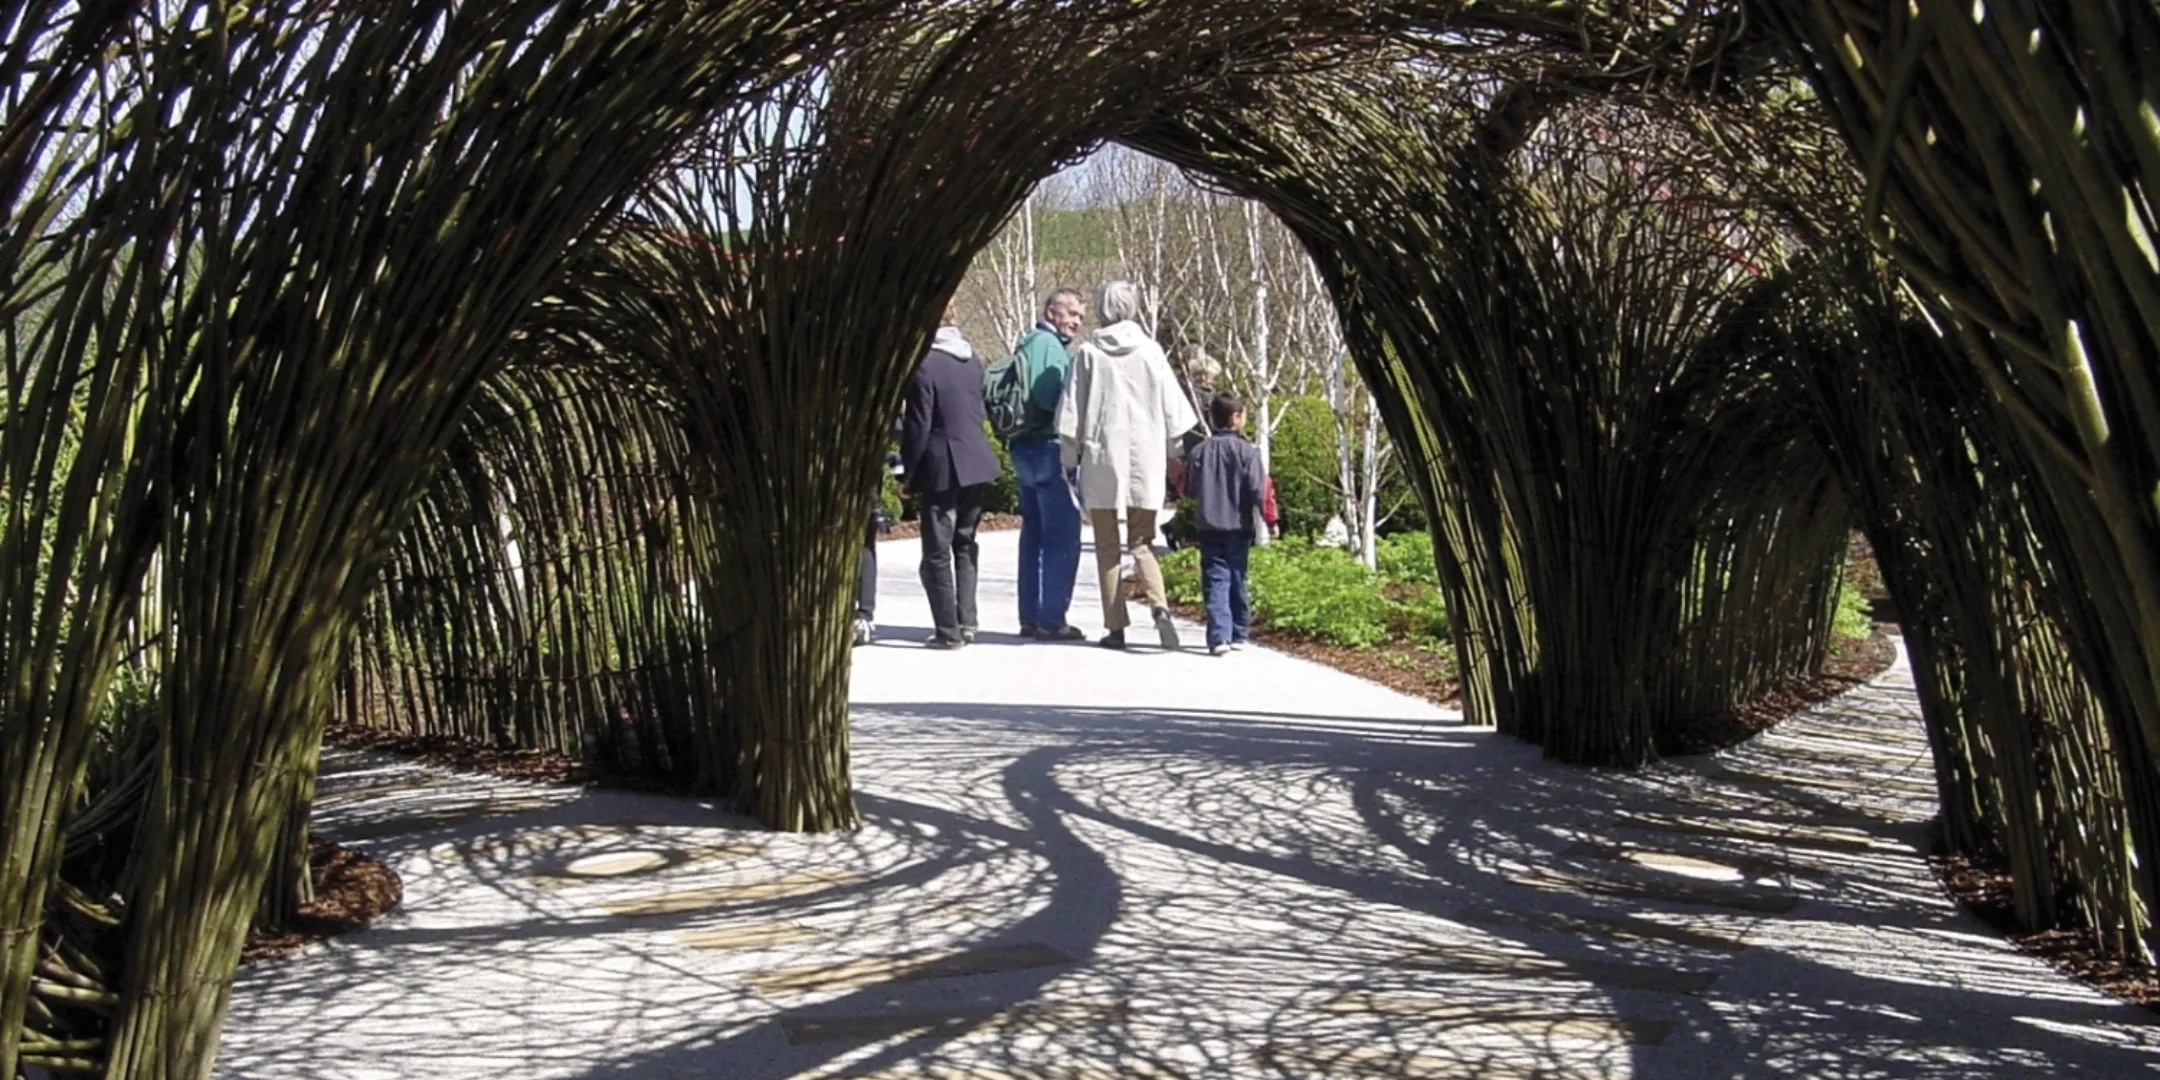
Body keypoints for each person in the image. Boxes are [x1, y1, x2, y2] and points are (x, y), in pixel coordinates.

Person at [1057, 280, 1199, 650]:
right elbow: (1173, 411)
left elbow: (1072, 415)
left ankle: (1115, 627)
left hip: (1104, 460)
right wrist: (1174, 453)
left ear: (1103, 309)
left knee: (1107, 547)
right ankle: (1160, 608)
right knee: (1142, 543)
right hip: (1145, 461)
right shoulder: (1151, 352)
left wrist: (1068, 461)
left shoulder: (1089, 353)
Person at [901, 309, 1002, 649]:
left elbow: (918, 427)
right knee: (965, 543)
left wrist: (908, 472)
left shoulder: (924, 365)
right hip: (976, 460)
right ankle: (968, 621)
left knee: (936, 550)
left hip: (941, 466)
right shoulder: (971, 359)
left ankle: (947, 631)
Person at [1009, 290, 1088, 642]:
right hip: (1047, 447)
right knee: (1062, 534)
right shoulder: (1050, 347)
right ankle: (1052, 619)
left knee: (1034, 534)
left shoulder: (1026, 342)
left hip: (1022, 446)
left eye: (1081, 317)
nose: (1076, 321)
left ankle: (1030, 615)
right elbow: (1050, 397)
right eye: (1071, 313)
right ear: (1052, 312)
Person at [1181, 393, 1266, 656]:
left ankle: (1219, 636)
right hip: (1239, 526)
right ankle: (1240, 632)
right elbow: (1258, 488)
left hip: (1208, 526)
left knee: (1216, 579)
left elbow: (1189, 489)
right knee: (1238, 577)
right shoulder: (1247, 452)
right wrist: (1269, 518)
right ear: (1235, 418)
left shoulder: (1199, 451)